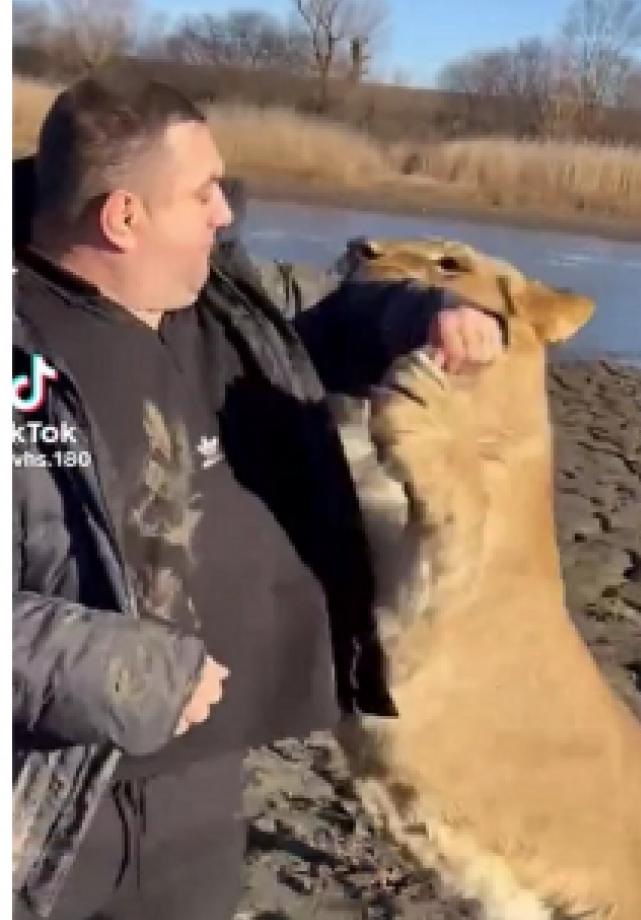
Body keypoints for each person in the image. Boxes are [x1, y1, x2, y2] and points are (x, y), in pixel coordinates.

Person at [12, 72, 503, 920]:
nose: (224, 213)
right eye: (202, 193)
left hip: (200, 787)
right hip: (46, 805)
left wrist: (427, 315)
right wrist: (121, 667)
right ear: (122, 217)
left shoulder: (223, 301)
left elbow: (331, 320)